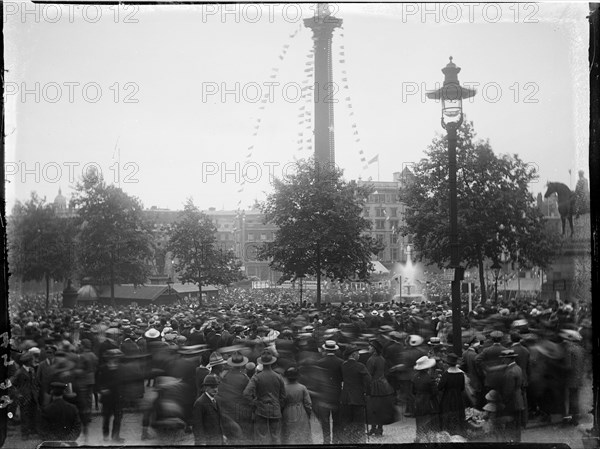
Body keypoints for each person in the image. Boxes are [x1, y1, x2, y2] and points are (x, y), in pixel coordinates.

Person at [243, 350, 286, 444]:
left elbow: (246, 393)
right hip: (275, 409)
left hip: (261, 410)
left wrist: (255, 403)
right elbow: (283, 396)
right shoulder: (278, 377)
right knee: (276, 437)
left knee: (262, 437)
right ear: (272, 362)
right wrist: (278, 405)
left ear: (261, 363)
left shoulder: (257, 377)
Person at [216, 351, 253, 444]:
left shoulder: (225, 375)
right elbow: (248, 394)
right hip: (239, 410)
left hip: (225, 409)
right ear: (242, 365)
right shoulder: (245, 378)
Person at [339, 345, 371, 444]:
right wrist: (366, 392)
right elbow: (368, 381)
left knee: (346, 422)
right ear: (353, 354)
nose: (359, 356)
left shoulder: (343, 365)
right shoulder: (360, 366)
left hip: (345, 398)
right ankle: (359, 442)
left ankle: (347, 442)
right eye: (358, 354)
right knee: (359, 423)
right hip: (358, 398)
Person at [313, 340, 343, 444]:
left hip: (323, 396)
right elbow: (342, 378)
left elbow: (316, 380)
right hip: (337, 394)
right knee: (337, 420)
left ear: (325, 349)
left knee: (325, 421)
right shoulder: (341, 362)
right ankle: (336, 440)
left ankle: (326, 441)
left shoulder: (319, 362)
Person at [365, 340, 396, 437]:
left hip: (374, 385)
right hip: (384, 384)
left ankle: (373, 428)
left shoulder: (371, 360)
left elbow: (369, 375)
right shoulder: (382, 358)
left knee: (373, 407)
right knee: (381, 407)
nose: (368, 348)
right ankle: (379, 428)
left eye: (369, 346)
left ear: (374, 349)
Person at [97, 349, 126, 443]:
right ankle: (105, 436)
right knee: (106, 418)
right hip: (107, 398)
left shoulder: (121, 368)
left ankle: (115, 437)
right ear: (107, 359)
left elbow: (124, 382)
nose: (113, 360)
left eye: (115, 358)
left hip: (118, 398)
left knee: (118, 418)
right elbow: (97, 382)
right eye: (111, 358)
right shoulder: (102, 368)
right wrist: (101, 390)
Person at [11, 352, 40, 440]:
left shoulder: (32, 370)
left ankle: (33, 431)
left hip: (33, 396)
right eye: (31, 360)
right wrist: (18, 394)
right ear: (27, 361)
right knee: (24, 415)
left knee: (33, 413)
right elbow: (12, 385)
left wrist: (36, 391)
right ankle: (25, 433)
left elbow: (34, 383)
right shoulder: (19, 372)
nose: (33, 361)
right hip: (24, 397)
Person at [498, 349, 525, 442]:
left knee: (510, 425)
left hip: (511, 402)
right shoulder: (518, 368)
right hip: (518, 399)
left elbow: (507, 391)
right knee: (517, 425)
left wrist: (503, 402)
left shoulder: (510, 372)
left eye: (504, 359)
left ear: (508, 359)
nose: (503, 361)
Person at [281, 366, 312, 444]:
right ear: (297, 377)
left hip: (287, 412)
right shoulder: (302, 388)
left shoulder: (283, 388)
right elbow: (308, 403)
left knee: (288, 433)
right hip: (301, 412)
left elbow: (281, 403)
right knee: (303, 434)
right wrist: (308, 413)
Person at [412, 356, 439, 443]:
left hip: (418, 401)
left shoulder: (414, 378)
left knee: (419, 420)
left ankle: (418, 437)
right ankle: (428, 438)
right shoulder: (430, 378)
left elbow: (412, 391)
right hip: (428, 402)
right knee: (428, 421)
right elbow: (435, 392)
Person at [438, 353, 466, 436]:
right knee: (458, 415)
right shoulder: (461, 374)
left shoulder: (446, 374)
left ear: (447, 363)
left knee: (447, 415)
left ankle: (448, 433)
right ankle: (458, 433)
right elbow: (462, 388)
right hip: (458, 397)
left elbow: (440, 387)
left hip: (447, 397)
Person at [192, 374, 224, 445]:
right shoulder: (199, 403)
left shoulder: (216, 400)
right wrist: (201, 442)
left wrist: (222, 436)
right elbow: (197, 426)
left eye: (216, 386)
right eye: (212, 387)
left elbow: (218, 421)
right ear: (206, 387)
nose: (215, 389)